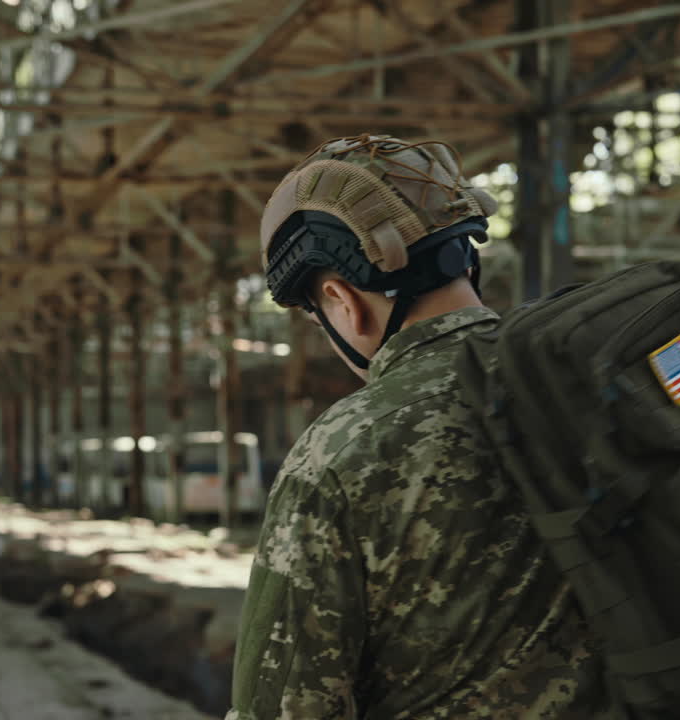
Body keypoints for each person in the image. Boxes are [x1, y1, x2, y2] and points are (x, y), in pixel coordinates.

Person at [227, 135, 614, 719]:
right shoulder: (600, 378)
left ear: (340, 299)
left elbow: (282, 709)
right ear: (467, 257)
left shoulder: (344, 453)